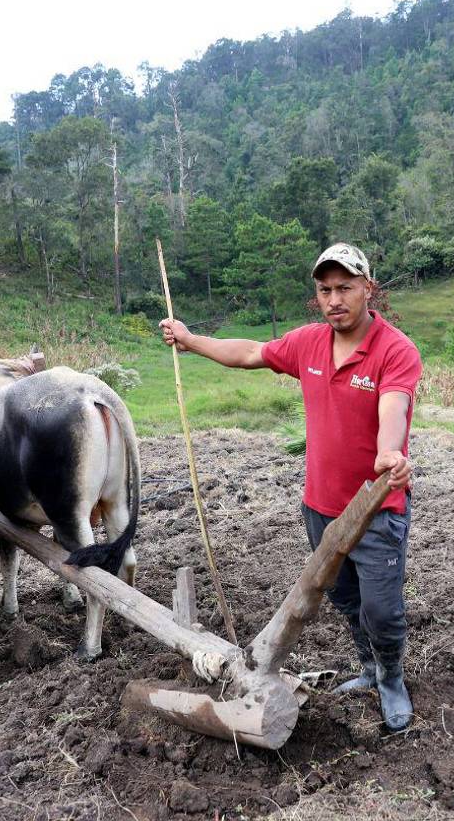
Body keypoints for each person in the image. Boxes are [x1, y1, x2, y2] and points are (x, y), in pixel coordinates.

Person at [159, 242, 422, 730]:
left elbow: (395, 407)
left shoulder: (395, 350)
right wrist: (192, 340)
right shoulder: (307, 344)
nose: (334, 299)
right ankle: (367, 666)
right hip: (320, 506)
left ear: (369, 288)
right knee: (344, 597)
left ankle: (390, 676)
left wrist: (390, 455)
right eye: (325, 290)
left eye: (345, 288)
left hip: (376, 509)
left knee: (382, 609)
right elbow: (251, 353)